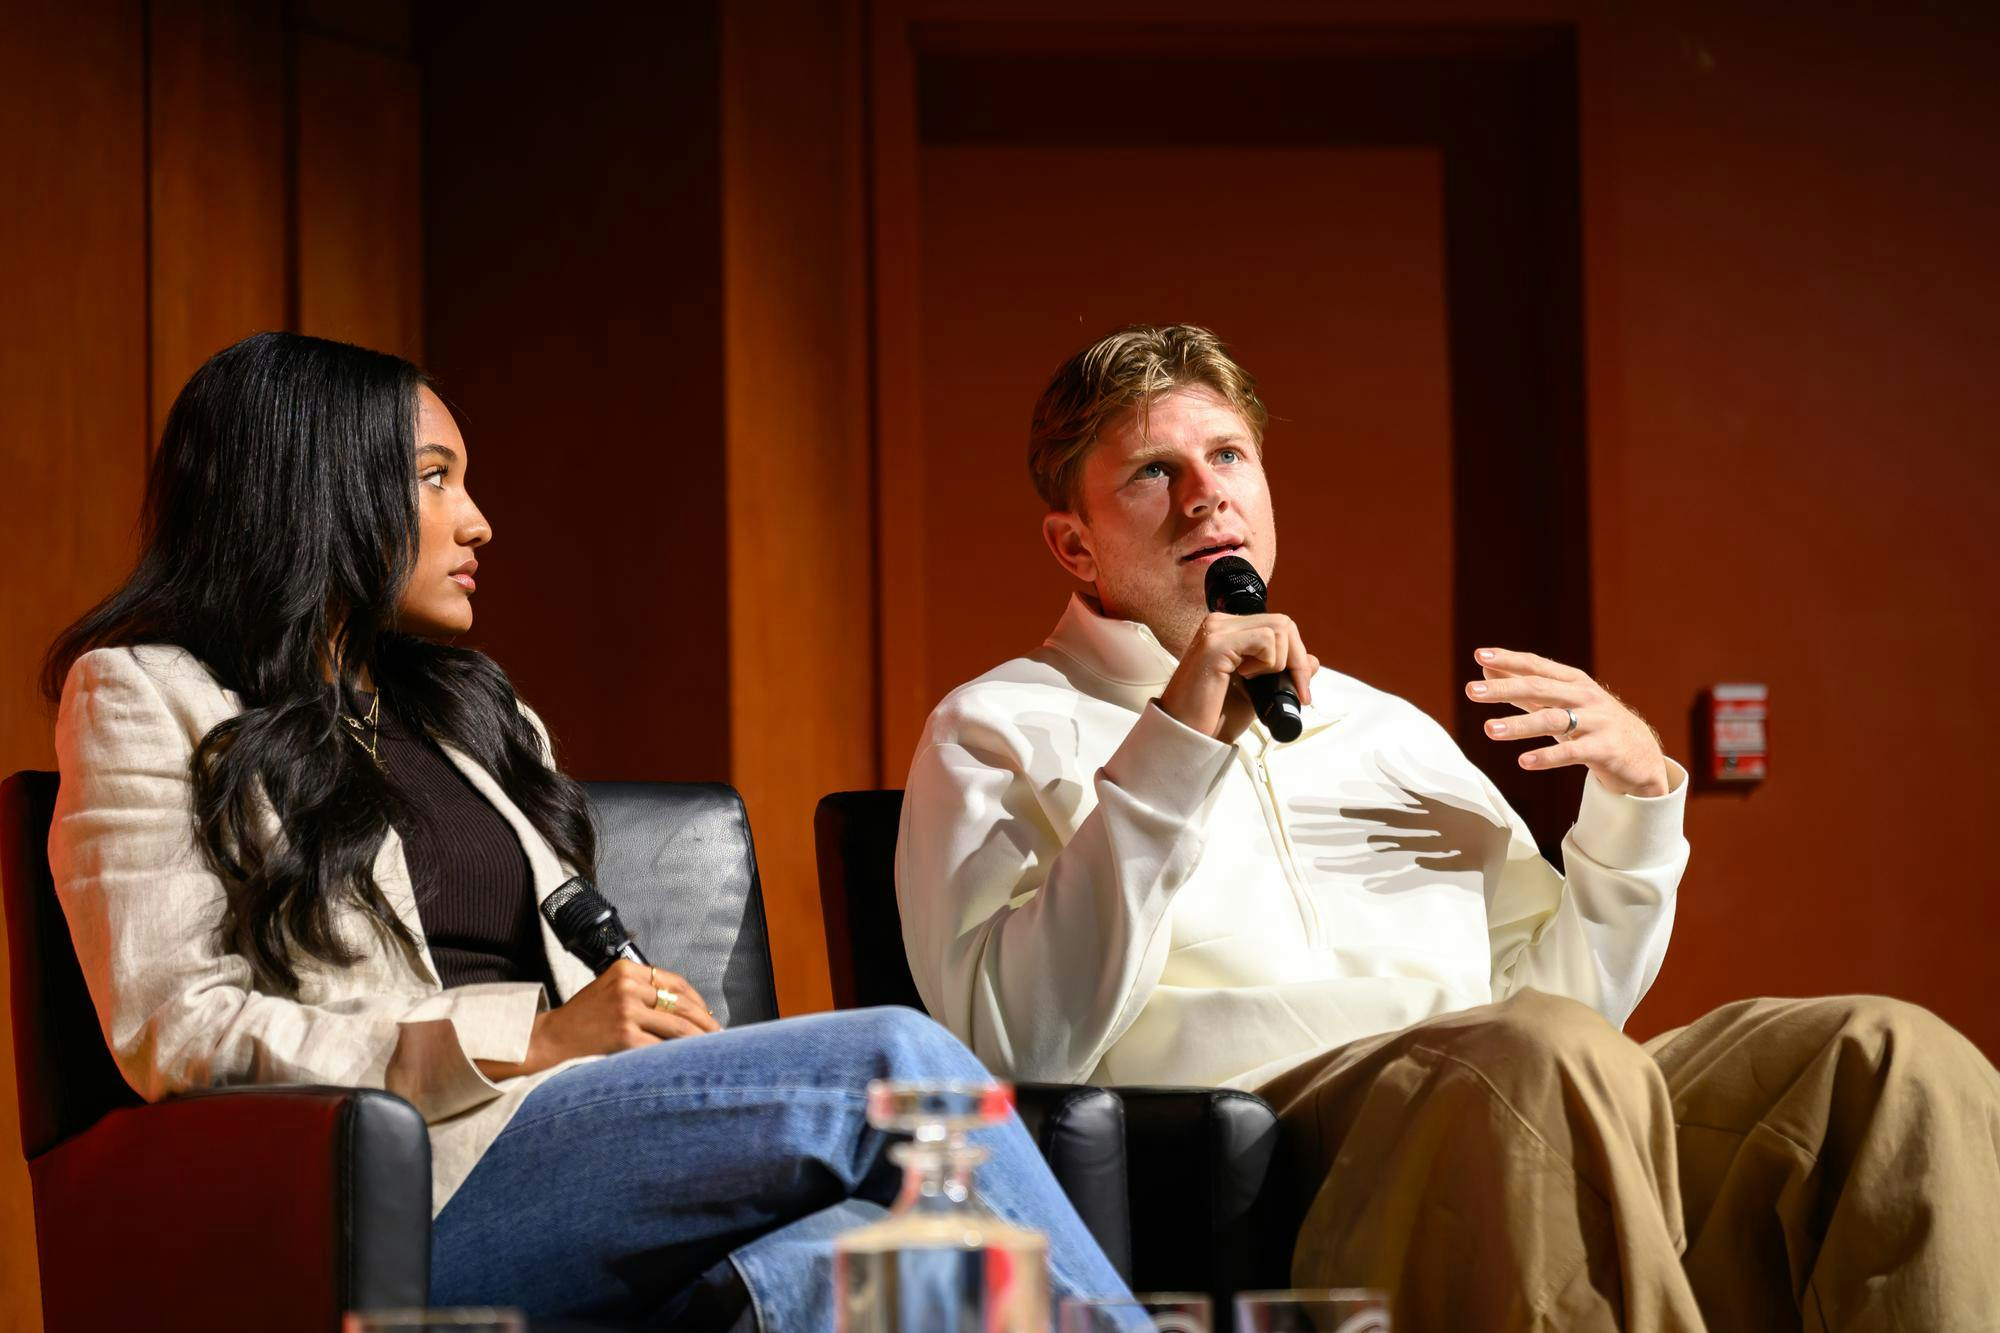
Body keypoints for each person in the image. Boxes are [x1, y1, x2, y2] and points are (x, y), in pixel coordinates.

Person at [895, 323, 2000, 1331]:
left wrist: (1631, 805)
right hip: (1281, 1146)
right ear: (1074, 544)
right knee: (1536, 1060)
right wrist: (1176, 747)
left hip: (1523, 1096)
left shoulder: (1385, 727)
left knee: (1886, 1063)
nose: (1205, 496)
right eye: (1153, 471)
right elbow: (1015, 1045)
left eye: (1228, 456)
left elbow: (1567, 1004)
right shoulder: (997, 728)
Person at [45, 331, 1129, 1330]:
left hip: (581, 1152)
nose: (478, 521)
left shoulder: (477, 718)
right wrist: (537, 1038)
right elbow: (180, 1026)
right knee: (894, 1061)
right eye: (435, 478)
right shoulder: (145, 693)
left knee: (871, 1261)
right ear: (314, 487)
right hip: (406, 1189)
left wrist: (657, 1030)